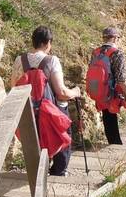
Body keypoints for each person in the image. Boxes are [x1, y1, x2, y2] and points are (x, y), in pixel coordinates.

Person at [11, 26, 81, 176]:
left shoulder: (19, 60)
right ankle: (59, 172)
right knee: (61, 135)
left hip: (27, 110)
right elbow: (61, 93)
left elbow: (14, 87)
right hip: (49, 110)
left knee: (35, 141)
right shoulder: (52, 60)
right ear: (48, 42)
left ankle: (38, 172)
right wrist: (75, 92)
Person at [93, 27, 126, 145]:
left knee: (107, 113)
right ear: (115, 38)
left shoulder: (95, 52)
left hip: (101, 89)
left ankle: (114, 142)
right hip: (116, 90)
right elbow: (121, 79)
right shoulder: (117, 53)